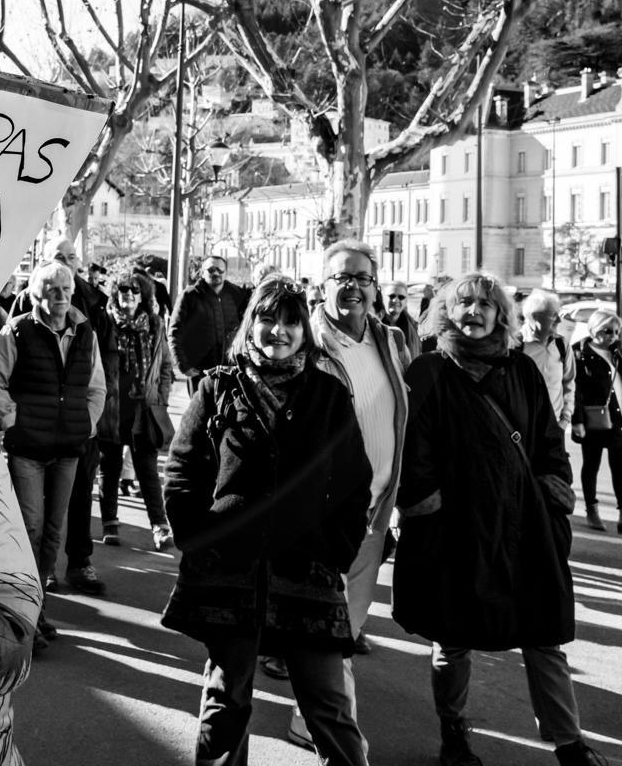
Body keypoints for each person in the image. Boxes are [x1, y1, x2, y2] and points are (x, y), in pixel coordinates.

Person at [393, 274, 605, 766]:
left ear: (500, 314)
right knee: (455, 639)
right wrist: (429, 509)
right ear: (447, 309)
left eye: (484, 304)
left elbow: (549, 444)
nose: (473, 311)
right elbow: (414, 453)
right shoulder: (427, 371)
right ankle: (454, 733)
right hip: (458, 530)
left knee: (542, 635)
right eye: (462, 302)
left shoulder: (522, 370)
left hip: (524, 523)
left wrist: (555, 498)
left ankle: (569, 743)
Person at [161, 275, 373, 766]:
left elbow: (354, 483)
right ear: (250, 324)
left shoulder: (327, 395)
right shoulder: (218, 387)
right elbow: (182, 471)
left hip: (309, 572)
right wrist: (200, 541)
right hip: (228, 571)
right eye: (267, 319)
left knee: (328, 705)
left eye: (291, 321)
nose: (278, 331)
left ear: (304, 330)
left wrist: (335, 550)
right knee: (226, 699)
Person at [274, 240, 410, 751]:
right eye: (341, 278)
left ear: (376, 286)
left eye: (362, 279)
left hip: (375, 507)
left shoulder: (392, 339)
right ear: (322, 285)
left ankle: (308, 717)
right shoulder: (303, 340)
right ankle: (327, 730)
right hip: (322, 509)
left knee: (346, 624)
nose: (352, 287)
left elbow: (401, 414)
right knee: (326, 625)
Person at [0, 261, 107, 649]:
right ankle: (21, 612)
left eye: (67, 290)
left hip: (68, 448)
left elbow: (97, 386)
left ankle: (37, 609)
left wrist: (83, 425)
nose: (61, 296)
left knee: (55, 530)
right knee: (29, 528)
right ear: (37, 293)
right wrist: (13, 423)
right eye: (53, 290)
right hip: (28, 449)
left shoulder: (85, 330)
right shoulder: (16, 329)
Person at [11, 239, 119, 597]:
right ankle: (36, 579)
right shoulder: (26, 304)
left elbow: (105, 369)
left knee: (77, 498)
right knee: (32, 516)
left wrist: (90, 422)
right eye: (60, 258)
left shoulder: (95, 305)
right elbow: (2, 371)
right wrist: (14, 421)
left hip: (78, 427)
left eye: (73, 258)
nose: (68, 264)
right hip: (32, 432)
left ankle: (78, 563)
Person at [99, 272, 175, 550]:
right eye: (122, 289)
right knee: (110, 466)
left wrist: (160, 398)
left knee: (147, 469)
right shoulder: (106, 323)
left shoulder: (154, 325)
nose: (128, 293)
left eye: (134, 289)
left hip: (145, 409)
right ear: (115, 293)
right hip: (113, 406)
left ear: (143, 296)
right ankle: (110, 524)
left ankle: (160, 526)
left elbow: (165, 366)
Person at [169, 245, 252, 395]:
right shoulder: (189, 296)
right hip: (200, 373)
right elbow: (174, 333)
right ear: (202, 272)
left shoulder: (237, 296)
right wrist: (183, 365)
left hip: (231, 371)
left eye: (220, 270)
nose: (216, 273)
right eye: (211, 270)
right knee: (200, 416)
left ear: (226, 273)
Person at [571, 308, 622, 533]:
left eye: (617, 331)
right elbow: (574, 389)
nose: (613, 336)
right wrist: (577, 420)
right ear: (593, 329)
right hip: (593, 418)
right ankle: (592, 510)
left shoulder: (618, 351)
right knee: (591, 466)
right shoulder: (579, 353)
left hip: (619, 417)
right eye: (607, 331)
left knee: (620, 468)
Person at [521, 289, 576, 433]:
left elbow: (569, 382)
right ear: (534, 317)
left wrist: (565, 419)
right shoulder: (515, 345)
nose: (559, 320)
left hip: (555, 426)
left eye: (559, 315)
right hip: (524, 427)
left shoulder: (561, 344)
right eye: (553, 315)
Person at [384, 280, 422, 362]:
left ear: (406, 301)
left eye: (401, 297)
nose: (395, 300)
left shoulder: (414, 327)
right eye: (391, 296)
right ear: (384, 298)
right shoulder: (374, 323)